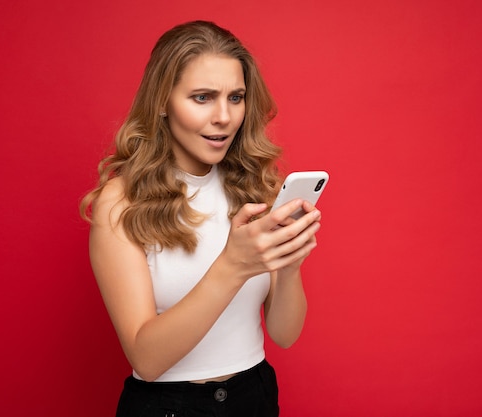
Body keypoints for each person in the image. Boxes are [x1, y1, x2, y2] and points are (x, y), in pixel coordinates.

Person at [80, 20, 322, 417]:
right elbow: (147, 358)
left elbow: (285, 334)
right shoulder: (121, 202)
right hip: (168, 407)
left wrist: (291, 265)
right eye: (203, 97)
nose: (225, 117)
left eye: (236, 97)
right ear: (162, 101)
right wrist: (233, 265)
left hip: (254, 395)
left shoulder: (253, 188)